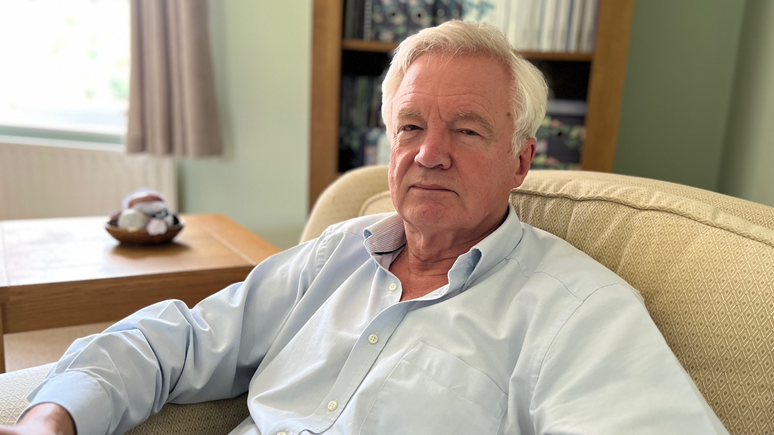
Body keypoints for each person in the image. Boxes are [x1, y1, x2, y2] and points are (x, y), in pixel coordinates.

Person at [5, 21, 728, 435]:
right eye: (410, 125)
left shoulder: (578, 312)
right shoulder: (334, 256)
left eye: (467, 130)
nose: (430, 151)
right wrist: (57, 415)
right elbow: (185, 338)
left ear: (521, 161)